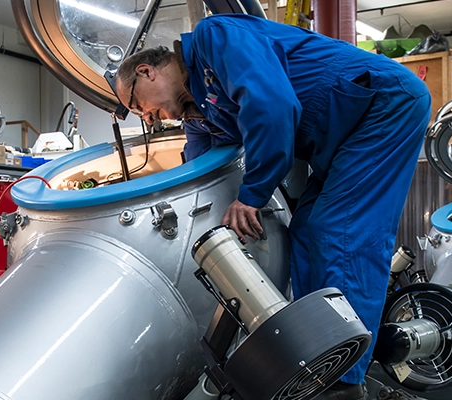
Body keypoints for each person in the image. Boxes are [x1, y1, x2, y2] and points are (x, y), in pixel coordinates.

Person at [112, 14, 430, 398]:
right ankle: (320, 358)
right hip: (343, 135)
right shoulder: (200, 108)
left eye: (137, 106)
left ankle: (344, 381)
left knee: (340, 232)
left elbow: (273, 107)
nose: (147, 118)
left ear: (147, 72)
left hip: (382, 106)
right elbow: (196, 167)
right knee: (308, 230)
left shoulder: (215, 40)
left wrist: (252, 195)